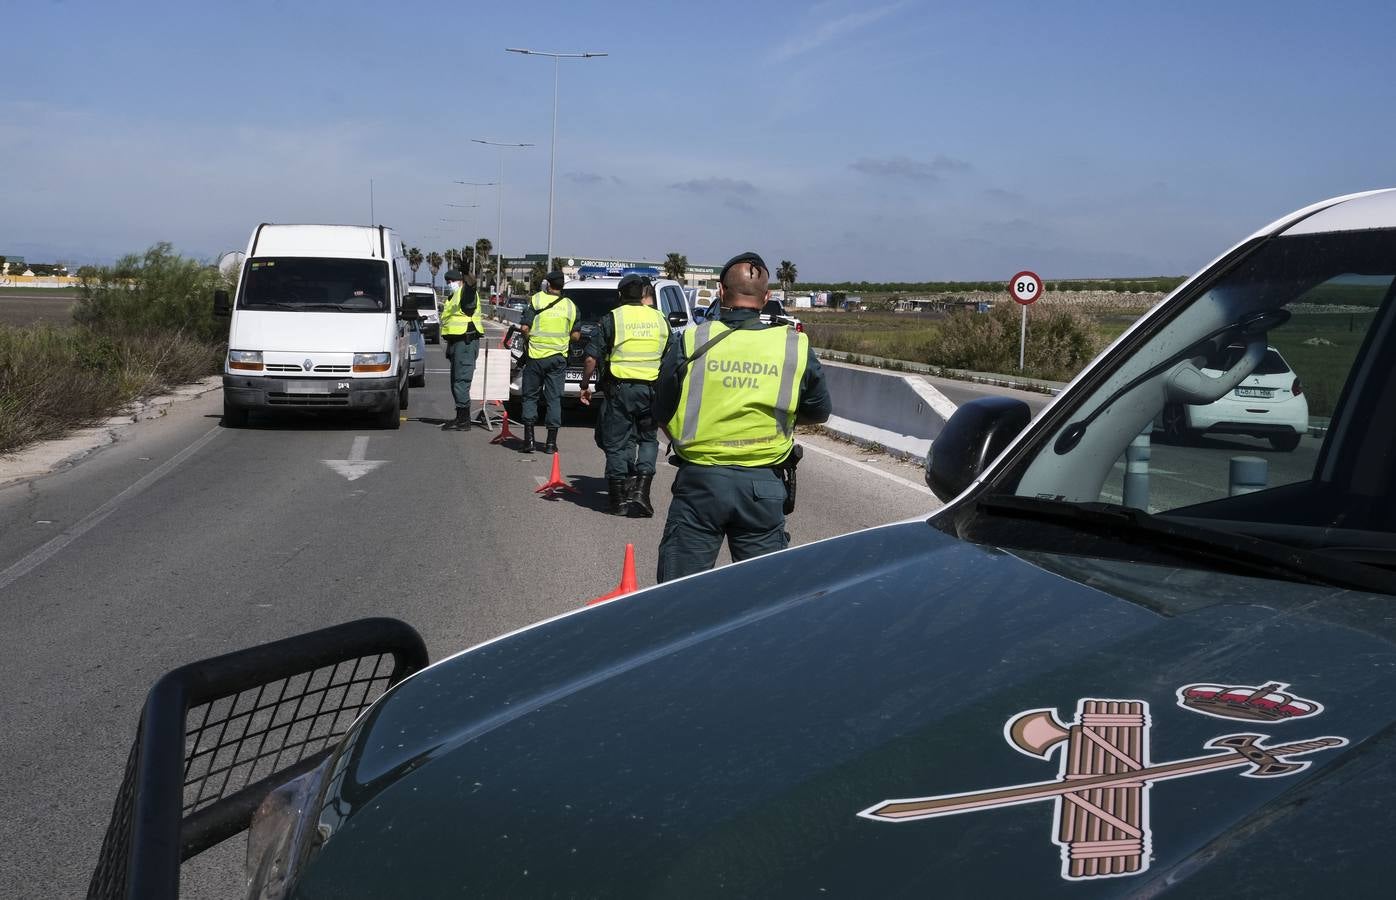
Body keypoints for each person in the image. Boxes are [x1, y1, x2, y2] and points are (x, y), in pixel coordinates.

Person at [652, 252, 831, 582]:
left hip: (700, 483)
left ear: (721, 292)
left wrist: (689, 437)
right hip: (763, 488)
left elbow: (661, 409)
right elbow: (819, 411)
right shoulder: (794, 345)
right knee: (762, 597)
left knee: (677, 597)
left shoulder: (692, 339)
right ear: (767, 298)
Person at [579, 274, 671, 516]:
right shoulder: (659, 318)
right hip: (651, 391)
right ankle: (641, 491)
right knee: (648, 439)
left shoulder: (613, 318)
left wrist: (585, 384)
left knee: (617, 442)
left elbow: (591, 358)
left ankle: (618, 500)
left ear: (620, 295)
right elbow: (671, 356)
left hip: (620, 391)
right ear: (642, 294)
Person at [519, 271, 580, 453]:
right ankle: (551, 443)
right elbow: (576, 335)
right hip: (558, 358)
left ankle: (529, 441)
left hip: (536, 357)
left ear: (547, 284)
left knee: (530, 397)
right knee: (554, 399)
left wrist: (530, 340)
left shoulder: (536, 300)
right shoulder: (570, 306)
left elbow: (524, 327)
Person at [438, 269, 484, 431]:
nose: (449, 284)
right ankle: (460, 416)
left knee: (461, 381)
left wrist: (469, 277)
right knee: (456, 381)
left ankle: (464, 420)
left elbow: (471, 290)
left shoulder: (466, 293)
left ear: (461, 281)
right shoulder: (453, 297)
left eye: (451, 281)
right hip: (457, 342)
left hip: (466, 342)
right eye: (447, 282)